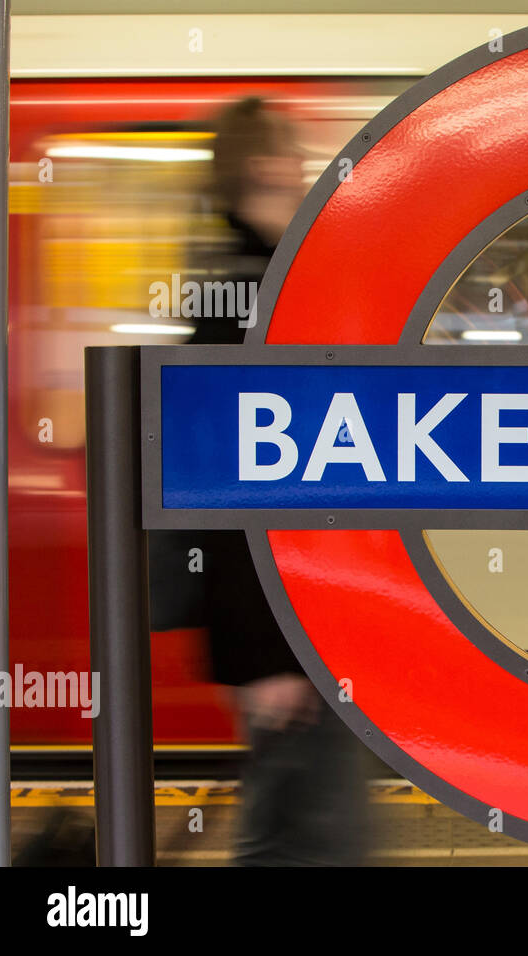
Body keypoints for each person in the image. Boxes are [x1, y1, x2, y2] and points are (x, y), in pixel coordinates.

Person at [190, 97, 368, 865]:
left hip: (296, 627)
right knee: (296, 835)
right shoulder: (244, 303)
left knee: (296, 827)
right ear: (264, 167)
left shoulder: (258, 283)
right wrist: (272, 654)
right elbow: (230, 496)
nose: (307, 173)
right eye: (295, 156)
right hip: (287, 634)